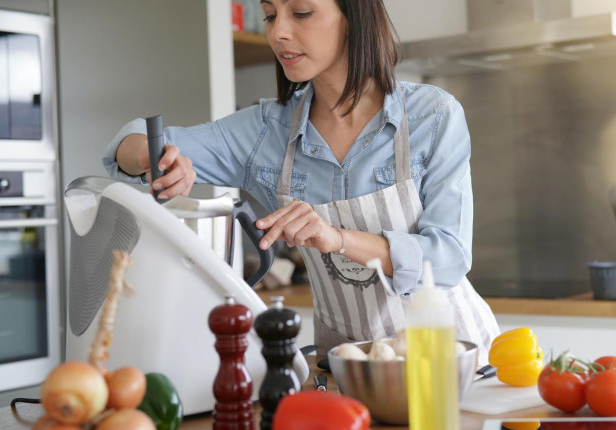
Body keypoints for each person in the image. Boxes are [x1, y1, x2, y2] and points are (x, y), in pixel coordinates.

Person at [103, 0, 500, 363]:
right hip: (348, 372)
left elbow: (447, 258)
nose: (278, 32)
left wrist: (338, 238)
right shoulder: (264, 132)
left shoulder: (433, 116)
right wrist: (151, 156)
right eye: (271, 14)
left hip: (452, 365)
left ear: (354, 16)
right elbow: (130, 143)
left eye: (302, 12)